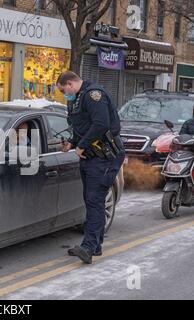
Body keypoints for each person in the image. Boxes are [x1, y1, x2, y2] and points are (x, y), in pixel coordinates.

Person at [57, 71, 125, 264]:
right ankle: (95, 245)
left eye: (64, 90)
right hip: (92, 156)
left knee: (95, 200)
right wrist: (71, 143)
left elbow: (101, 124)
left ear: (70, 84)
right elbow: (84, 127)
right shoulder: (78, 99)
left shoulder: (93, 95)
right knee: (92, 200)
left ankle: (88, 247)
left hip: (105, 157)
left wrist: (81, 145)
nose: (64, 94)